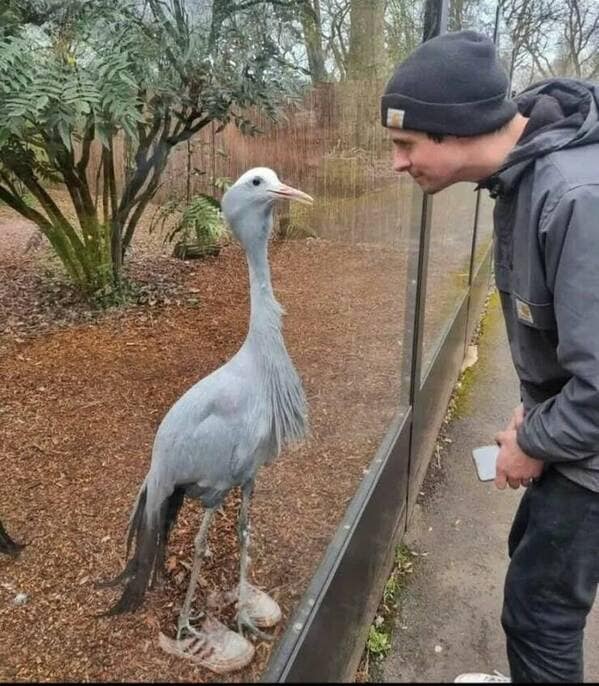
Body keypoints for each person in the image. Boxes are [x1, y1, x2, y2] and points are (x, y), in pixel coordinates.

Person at [381, 30, 599, 683]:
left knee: (540, 617)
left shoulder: (572, 197)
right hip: (573, 433)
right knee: (530, 577)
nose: (396, 164)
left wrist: (532, 441)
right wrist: (535, 409)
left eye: (405, 143)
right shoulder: (526, 175)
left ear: (453, 131)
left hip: (590, 459)